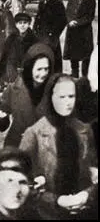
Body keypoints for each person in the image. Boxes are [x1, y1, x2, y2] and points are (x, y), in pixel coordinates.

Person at [20, 74, 98, 219]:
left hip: (84, 210)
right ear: (50, 97)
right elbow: (23, 184)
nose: (68, 102)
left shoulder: (84, 130)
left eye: (71, 96)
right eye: (62, 97)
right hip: (48, 214)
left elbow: (94, 171)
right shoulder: (34, 134)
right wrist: (57, 201)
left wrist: (87, 194)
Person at [1, 43, 54, 146]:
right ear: (30, 68)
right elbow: (4, 120)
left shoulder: (54, 89)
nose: (43, 74)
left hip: (44, 146)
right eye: (39, 69)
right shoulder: (13, 89)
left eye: (46, 69)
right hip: (17, 144)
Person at [63, 0, 96, 78]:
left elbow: (89, 17)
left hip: (84, 31)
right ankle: (74, 75)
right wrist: (69, 21)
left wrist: (77, 22)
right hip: (72, 31)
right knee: (73, 55)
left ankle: (85, 77)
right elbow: (67, 12)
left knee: (85, 56)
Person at [33, 0, 67, 73]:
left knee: (54, 61)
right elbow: (38, 18)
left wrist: (54, 34)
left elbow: (63, 21)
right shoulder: (42, 3)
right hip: (42, 36)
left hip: (52, 38)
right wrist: (35, 29)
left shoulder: (58, 3)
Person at [0, 12, 38, 85]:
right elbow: (4, 57)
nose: (22, 25)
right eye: (20, 23)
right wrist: (0, 76)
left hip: (28, 71)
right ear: (16, 25)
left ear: (29, 24)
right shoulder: (11, 39)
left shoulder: (34, 39)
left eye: (25, 23)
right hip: (12, 72)